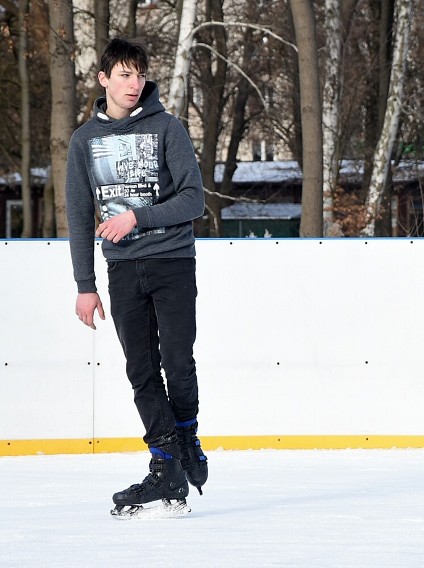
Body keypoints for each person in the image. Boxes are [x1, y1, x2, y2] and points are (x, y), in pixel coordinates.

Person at [65, 37, 208, 515]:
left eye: (140, 74)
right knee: (140, 371)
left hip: (171, 262)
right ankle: (165, 464)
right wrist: (85, 286)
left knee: (178, 361)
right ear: (103, 79)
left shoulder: (167, 127)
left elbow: (194, 200)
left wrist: (136, 218)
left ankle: (187, 437)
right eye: (124, 74)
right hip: (122, 269)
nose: (133, 83)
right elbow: (82, 216)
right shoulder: (85, 141)